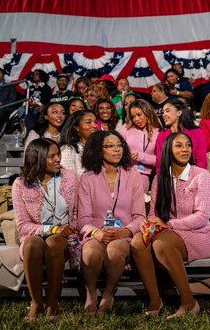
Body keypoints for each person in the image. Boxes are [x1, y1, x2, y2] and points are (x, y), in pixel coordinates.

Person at [130, 132, 210, 318]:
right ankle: (155, 300)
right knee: (138, 242)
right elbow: (153, 212)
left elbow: (202, 217)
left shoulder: (200, 175)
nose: (185, 149)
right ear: (169, 149)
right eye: (179, 145)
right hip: (167, 232)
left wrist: (168, 224)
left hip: (199, 233)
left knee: (161, 244)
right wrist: (150, 223)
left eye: (188, 145)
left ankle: (189, 302)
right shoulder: (160, 178)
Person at [78, 131, 146, 315]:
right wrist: (95, 232)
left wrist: (126, 231)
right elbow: (83, 219)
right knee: (91, 251)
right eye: (110, 146)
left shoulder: (133, 176)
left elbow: (140, 215)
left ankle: (108, 293)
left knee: (115, 251)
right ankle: (91, 294)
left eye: (119, 145)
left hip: (122, 235)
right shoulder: (87, 179)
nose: (116, 149)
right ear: (98, 151)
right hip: (96, 233)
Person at [12, 138, 79, 321]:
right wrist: (52, 228)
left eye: (58, 154)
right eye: (52, 156)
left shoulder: (70, 177)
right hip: (36, 234)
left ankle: (52, 303)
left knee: (54, 242)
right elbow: (22, 225)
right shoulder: (20, 184)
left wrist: (65, 230)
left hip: (64, 237)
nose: (58, 159)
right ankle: (36, 302)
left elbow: (75, 212)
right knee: (32, 244)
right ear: (38, 158)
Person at [119, 99, 161, 190]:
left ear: (147, 112)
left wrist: (141, 156)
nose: (136, 119)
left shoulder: (158, 132)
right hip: (123, 172)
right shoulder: (125, 128)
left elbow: (159, 160)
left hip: (143, 176)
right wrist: (125, 156)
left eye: (139, 115)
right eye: (133, 117)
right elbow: (116, 149)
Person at [155, 99, 207, 170]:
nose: (164, 115)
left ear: (179, 113)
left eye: (167, 111)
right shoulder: (162, 135)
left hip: (193, 175)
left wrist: (194, 176)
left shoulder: (196, 132)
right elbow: (160, 162)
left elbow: (201, 160)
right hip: (169, 176)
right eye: (163, 112)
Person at [60, 110, 97, 177]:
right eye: (88, 122)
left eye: (95, 122)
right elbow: (69, 180)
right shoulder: (67, 150)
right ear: (76, 127)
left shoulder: (98, 147)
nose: (94, 125)